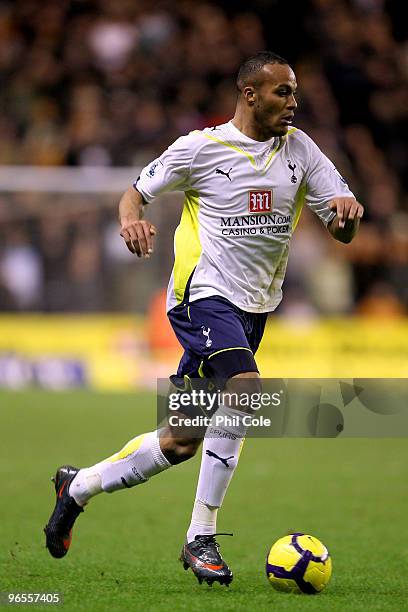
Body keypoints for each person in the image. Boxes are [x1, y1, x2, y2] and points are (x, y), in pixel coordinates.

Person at [44, 51, 363, 586]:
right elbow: (134, 194)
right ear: (249, 94)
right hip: (201, 297)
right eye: (282, 91)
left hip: (254, 309)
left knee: (180, 441)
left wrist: (347, 218)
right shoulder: (201, 147)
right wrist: (132, 222)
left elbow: (341, 223)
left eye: (295, 91)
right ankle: (201, 537)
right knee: (247, 390)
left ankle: (76, 488)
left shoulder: (301, 150)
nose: (293, 101)